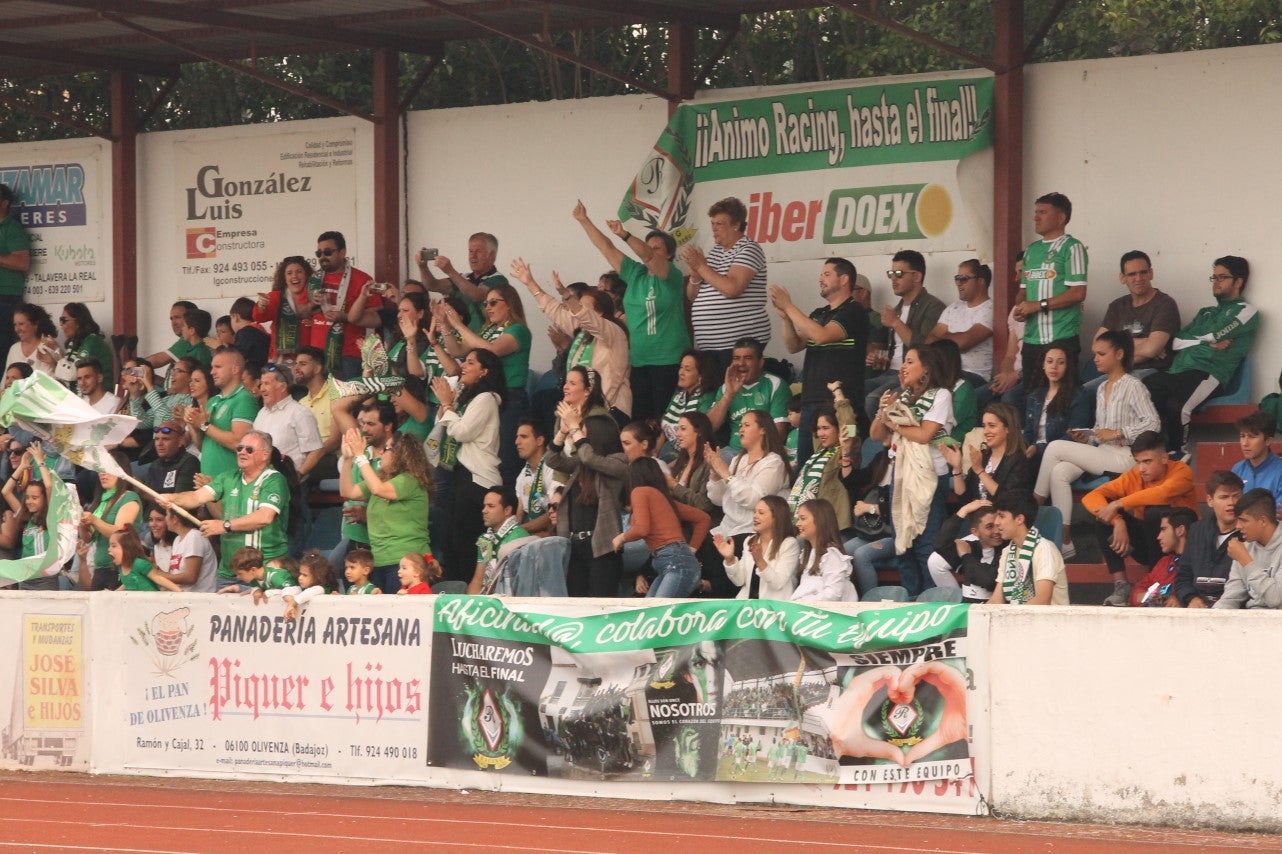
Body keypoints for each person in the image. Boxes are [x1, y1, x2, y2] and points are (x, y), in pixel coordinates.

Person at [1033, 331, 1160, 559]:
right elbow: (1101, 432)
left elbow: (1153, 424)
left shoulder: (1133, 385)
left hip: (1126, 457)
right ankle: (1065, 541)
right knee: (1059, 471)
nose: (1095, 359)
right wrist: (1088, 437)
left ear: (1119, 354)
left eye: (1102, 353)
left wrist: (1118, 432)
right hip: (1102, 452)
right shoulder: (1101, 388)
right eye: (1095, 354)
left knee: (1054, 448)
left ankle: (1032, 510)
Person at [574, 201, 688, 421]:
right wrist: (584, 221)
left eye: (657, 248)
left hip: (668, 360)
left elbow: (648, 257)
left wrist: (625, 235)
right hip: (637, 360)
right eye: (649, 246)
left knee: (665, 421)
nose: (651, 252)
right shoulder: (635, 273)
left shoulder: (671, 275)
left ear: (670, 255)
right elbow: (606, 248)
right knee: (641, 422)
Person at [1144, 255, 1259, 461]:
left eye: (1222, 277)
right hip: (1177, 371)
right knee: (1143, 389)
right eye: (1214, 277)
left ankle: (1179, 455)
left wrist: (1204, 339)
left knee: (1177, 407)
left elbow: (1215, 335)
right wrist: (1205, 343)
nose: (1216, 282)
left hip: (1208, 373)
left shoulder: (1247, 311)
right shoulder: (1205, 313)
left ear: (1239, 282)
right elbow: (1176, 342)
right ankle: (1151, 455)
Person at [869, 344, 955, 597]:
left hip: (929, 476)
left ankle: (931, 605)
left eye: (909, 361)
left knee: (926, 547)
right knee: (902, 546)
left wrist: (891, 421)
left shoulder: (941, 395)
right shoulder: (901, 398)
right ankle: (911, 603)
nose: (903, 367)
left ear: (926, 368)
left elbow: (925, 434)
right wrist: (883, 411)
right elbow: (876, 435)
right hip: (901, 477)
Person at [771, 256, 870, 467]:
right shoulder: (818, 314)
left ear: (844, 279)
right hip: (811, 402)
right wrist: (786, 318)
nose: (820, 279)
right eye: (820, 275)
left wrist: (790, 306)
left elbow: (822, 335)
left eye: (827, 274)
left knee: (841, 464)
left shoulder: (854, 311)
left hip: (842, 405)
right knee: (808, 465)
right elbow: (794, 346)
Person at [1082, 431, 1197, 606]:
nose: (1141, 468)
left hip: (1185, 546)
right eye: (1138, 462)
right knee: (1103, 517)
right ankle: (1122, 586)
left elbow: (1163, 494)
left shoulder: (1182, 471)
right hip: (1151, 545)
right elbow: (1091, 497)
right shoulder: (1135, 475)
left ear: (1164, 458)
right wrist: (1117, 521)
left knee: (1154, 512)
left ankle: (1157, 580)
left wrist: (1119, 503)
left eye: (1147, 461)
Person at [164, 430, 290, 588]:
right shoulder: (228, 477)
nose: (242, 452)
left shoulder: (274, 479)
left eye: (249, 449)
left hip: (262, 571)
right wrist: (171, 498)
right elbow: (196, 497)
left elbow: (265, 517)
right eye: (239, 448)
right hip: (228, 572)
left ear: (265, 455)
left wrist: (224, 526)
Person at [512, 256, 631, 420]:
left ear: (600, 313)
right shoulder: (582, 332)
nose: (576, 311)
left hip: (609, 412)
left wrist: (567, 296)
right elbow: (554, 310)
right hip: (581, 412)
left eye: (582, 308)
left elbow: (588, 318)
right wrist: (530, 283)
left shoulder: (614, 332)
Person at [435, 282, 531, 484]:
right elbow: (458, 351)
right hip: (485, 396)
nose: (488, 307)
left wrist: (459, 325)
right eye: (486, 303)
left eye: (494, 302)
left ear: (510, 304)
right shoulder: (487, 330)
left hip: (510, 398)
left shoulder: (518, 329)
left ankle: (504, 507)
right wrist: (445, 325)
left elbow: (492, 350)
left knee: (505, 457)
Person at [544, 368, 627, 597]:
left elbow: (589, 456)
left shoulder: (616, 464)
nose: (579, 438)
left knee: (600, 605)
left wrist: (574, 428)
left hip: (602, 549)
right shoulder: (582, 466)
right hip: (576, 547)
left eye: (584, 433)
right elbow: (552, 459)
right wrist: (562, 432)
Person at [431, 348, 505, 582]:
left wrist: (447, 403)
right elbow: (443, 424)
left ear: (484, 371)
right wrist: (448, 403)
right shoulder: (469, 397)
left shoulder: (487, 399)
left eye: (471, 363)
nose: (463, 365)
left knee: (465, 542)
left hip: (477, 479)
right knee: (451, 541)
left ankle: (470, 592)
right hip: (459, 475)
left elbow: (461, 432)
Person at [338, 430, 432, 594]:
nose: (381, 452)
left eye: (386, 449)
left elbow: (377, 489)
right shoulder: (382, 479)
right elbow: (348, 491)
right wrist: (348, 460)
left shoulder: (410, 480)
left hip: (405, 563)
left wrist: (361, 456)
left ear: (400, 454)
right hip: (379, 561)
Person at [681, 197, 770, 368]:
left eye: (719, 224)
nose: (714, 229)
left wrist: (701, 266)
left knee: (734, 391)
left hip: (738, 344)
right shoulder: (715, 253)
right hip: (710, 345)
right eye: (712, 224)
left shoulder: (748, 248)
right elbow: (692, 296)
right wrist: (695, 276)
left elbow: (732, 288)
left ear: (736, 224)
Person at [862, 250, 946, 420]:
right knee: (853, 390)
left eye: (899, 274)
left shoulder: (933, 306)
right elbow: (895, 351)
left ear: (916, 277)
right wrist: (881, 359)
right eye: (891, 273)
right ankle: (858, 443)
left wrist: (896, 323)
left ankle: (884, 444)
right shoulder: (897, 309)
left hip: (911, 376)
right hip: (889, 372)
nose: (893, 279)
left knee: (873, 400)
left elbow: (924, 349)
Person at [1013, 192, 1088, 380]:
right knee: (1032, 398)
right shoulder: (1030, 251)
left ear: (1061, 218)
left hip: (1061, 338)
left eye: (1043, 212)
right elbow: (1023, 292)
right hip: (1031, 340)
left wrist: (1038, 305)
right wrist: (1019, 309)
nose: (1036, 217)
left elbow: (1078, 292)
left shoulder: (1072, 247)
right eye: (1036, 212)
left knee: (1062, 399)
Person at [614, 457, 709, 598]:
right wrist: (691, 550)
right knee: (651, 613)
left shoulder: (639, 492)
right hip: (674, 563)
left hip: (674, 563)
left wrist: (621, 538)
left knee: (655, 614)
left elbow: (641, 529)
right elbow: (703, 518)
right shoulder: (664, 500)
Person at [1089, 250, 1180, 383]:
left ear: (1151, 273)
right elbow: (1097, 346)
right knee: (1082, 393)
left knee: (1090, 394)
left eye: (1143, 272)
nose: (1138, 278)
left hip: (1151, 372)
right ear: (1122, 278)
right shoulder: (1117, 306)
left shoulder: (1165, 304)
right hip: (1117, 371)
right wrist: (1144, 341)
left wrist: (1115, 348)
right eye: (1132, 274)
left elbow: (1151, 350)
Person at [706, 409, 791, 543]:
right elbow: (718, 500)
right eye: (740, 426)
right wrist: (715, 474)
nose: (741, 430)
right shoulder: (738, 460)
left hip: (751, 533)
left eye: (746, 425)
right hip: (726, 529)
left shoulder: (774, 462)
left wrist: (726, 474)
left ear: (763, 430)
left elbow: (754, 500)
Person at [308, 230, 380, 379]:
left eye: (327, 252)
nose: (323, 257)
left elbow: (377, 314)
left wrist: (346, 316)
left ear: (342, 252)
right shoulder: (314, 279)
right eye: (319, 253)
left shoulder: (362, 279)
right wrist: (311, 305)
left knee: (347, 401)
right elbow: (301, 312)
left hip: (347, 354)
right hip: (317, 354)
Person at [787, 380, 856, 528]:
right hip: (800, 522)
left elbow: (849, 423)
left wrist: (837, 392)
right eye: (818, 428)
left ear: (839, 429)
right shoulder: (820, 450)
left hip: (827, 526)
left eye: (826, 428)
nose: (820, 433)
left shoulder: (846, 449)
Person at [707, 337, 790, 458]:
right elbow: (710, 426)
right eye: (736, 358)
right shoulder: (726, 387)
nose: (741, 363)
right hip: (733, 451)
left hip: (764, 452)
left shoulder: (775, 384)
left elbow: (779, 432)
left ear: (760, 362)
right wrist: (728, 395)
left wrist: (753, 456)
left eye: (748, 358)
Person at [185, 348, 259, 479]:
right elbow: (203, 446)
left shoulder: (244, 399)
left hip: (232, 484)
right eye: (212, 367)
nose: (212, 372)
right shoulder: (213, 400)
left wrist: (203, 425)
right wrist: (192, 423)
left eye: (218, 367)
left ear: (235, 369)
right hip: (209, 482)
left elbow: (239, 443)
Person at [1173, 470, 1242, 608]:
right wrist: (1190, 598)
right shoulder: (1196, 530)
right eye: (1224, 497)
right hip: (1197, 610)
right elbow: (1183, 575)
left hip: (1234, 610)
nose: (1231, 503)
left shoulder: (1250, 534)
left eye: (1236, 496)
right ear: (1210, 500)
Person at [988, 488, 1068, 605]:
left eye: (1001, 516)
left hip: (1050, 622)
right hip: (1019, 619)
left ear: (1019, 519)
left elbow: (1042, 600)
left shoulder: (1044, 549)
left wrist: (1011, 619)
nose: (996, 522)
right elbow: (996, 600)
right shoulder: (1007, 552)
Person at [78, 450, 143, 591]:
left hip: (120, 568)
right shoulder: (100, 501)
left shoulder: (129, 497)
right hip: (100, 567)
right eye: (100, 470)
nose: (102, 473)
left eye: (107, 469)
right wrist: (82, 525)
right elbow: (88, 539)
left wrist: (94, 520)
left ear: (121, 472)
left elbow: (120, 531)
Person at [1021, 344, 1091, 473]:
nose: (1054, 366)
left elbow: (1073, 436)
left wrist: (1039, 448)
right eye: (1049, 361)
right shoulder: (1034, 396)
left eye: (1061, 362)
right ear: (1043, 365)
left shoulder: (1078, 396)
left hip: (1059, 455)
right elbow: (1028, 432)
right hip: (1033, 452)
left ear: (1067, 366)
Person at [416, 232, 507, 332]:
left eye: (478, 252)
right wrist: (423, 267)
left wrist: (451, 271)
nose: (473, 256)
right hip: (458, 340)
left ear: (491, 255)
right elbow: (432, 285)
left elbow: (476, 295)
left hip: (482, 340)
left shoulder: (498, 279)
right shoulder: (463, 277)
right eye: (471, 251)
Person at [942, 402, 1030, 502]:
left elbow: (1008, 499)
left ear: (1008, 428)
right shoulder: (984, 456)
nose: (985, 431)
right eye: (984, 426)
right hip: (976, 516)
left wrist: (980, 471)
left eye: (991, 426)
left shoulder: (1018, 460)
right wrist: (957, 468)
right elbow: (964, 496)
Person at [716, 495, 799, 600]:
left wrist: (760, 561)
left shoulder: (789, 544)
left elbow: (778, 583)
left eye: (761, 513)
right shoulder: (749, 541)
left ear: (776, 517)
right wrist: (730, 559)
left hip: (774, 610)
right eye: (755, 512)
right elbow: (739, 581)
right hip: (748, 608)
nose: (755, 516)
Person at [927, 259, 994, 387]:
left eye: (963, 278)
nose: (958, 283)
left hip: (974, 375)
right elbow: (929, 340)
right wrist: (952, 337)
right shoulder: (953, 307)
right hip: (946, 371)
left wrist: (942, 336)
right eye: (957, 278)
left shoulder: (990, 309)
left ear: (980, 282)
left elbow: (963, 343)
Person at [1214, 488, 1282, 610]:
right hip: (1251, 620)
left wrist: (1246, 561)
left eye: (1243, 520)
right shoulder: (1245, 547)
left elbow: (1276, 599)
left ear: (1262, 521)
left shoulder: (1243, 554)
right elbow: (1231, 597)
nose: (1238, 526)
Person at [0, 444, 55, 591]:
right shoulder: (25, 516)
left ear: (44, 499)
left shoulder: (51, 515)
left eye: (35, 497)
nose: (29, 501)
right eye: (28, 497)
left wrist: (39, 461)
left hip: (45, 578)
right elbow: (6, 491)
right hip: (26, 577)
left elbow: (49, 486)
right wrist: (22, 467)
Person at [253, 364, 324, 478]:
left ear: (282, 387)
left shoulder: (299, 413)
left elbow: (315, 451)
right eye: (261, 384)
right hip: (261, 482)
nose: (261, 389)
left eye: (267, 384)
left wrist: (297, 476)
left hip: (289, 484)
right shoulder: (261, 413)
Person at [928, 498, 1005, 602]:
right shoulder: (970, 547)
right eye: (989, 527)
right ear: (975, 532)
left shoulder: (1007, 549)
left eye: (998, 525)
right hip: (966, 611)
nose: (996, 531)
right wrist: (963, 510)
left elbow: (989, 581)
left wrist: (965, 556)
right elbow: (941, 545)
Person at [1125, 507, 1196, 607]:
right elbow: (1135, 594)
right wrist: (1155, 597)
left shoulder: (1199, 563)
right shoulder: (1165, 562)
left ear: (1180, 530)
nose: (1158, 537)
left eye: (1163, 529)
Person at [791, 499, 858, 602]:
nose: (797, 523)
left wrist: (804, 602)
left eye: (803, 518)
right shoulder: (807, 554)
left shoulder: (832, 555)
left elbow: (834, 594)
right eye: (798, 519)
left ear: (820, 520)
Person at [467, 487, 531, 595]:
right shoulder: (486, 539)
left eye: (490, 506)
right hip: (488, 603)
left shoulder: (519, 539)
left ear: (507, 510)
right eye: (484, 506)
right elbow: (478, 580)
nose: (484, 511)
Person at [658, 350, 720, 460]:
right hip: (671, 446)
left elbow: (700, 434)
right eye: (681, 367)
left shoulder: (707, 397)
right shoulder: (679, 394)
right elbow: (664, 424)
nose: (681, 372)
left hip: (693, 454)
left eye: (687, 369)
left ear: (701, 375)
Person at [254, 256, 316, 360]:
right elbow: (259, 318)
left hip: (308, 358)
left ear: (307, 275)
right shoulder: (276, 297)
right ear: (284, 278)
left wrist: (314, 322)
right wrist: (261, 306)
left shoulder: (315, 297)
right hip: (280, 359)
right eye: (289, 273)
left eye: (299, 272)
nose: (294, 276)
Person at [0, 183, 31, 361]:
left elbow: (23, 262)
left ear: (5, 203)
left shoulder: (12, 228)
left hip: (6, 297)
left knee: (4, 349)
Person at [1232, 410, 1282, 511]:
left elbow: (1277, 513)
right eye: (1242, 436)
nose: (1245, 443)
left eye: (1252, 437)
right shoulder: (1237, 469)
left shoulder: (1280, 470)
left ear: (1268, 441)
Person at [161, 506, 218, 593]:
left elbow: (190, 577)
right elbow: (174, 574)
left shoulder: (194, 537)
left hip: (201, 598)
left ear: (175, 519)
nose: (165, 519)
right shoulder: (177, 540)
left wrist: (158, 574)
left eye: (167, 515)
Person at [513, 418, 556, 537]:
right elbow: (519, 515)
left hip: (551, 535)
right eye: (517, 437)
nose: (517, 441)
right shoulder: (522, 475)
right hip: (530, 535)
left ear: (539, 440)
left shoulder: (552, 468)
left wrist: (518, 530)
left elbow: (553, 514)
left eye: (524, 436)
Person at [106, 529, 181, 593]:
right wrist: (113, 594)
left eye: (113, 546)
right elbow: (127, 583)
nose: (109, 549)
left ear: (127, 548)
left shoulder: (139, 564)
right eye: (109, 546)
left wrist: (179, 591)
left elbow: (158, 578)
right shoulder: (121, 567)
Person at [141, 420, 199, 498]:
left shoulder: (189, 462)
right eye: (157, 439)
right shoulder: (155, 464)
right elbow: (145, 502)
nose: (159, 444)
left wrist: (142, 492)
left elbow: (179, 501)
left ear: (180, 441)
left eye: (166, 439)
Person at [59, 303, 114, 384]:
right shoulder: (74, 342)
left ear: (78, 322)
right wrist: (52, 362)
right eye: (60, 320)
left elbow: (75, 373)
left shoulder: (92, 341)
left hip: (99, 394)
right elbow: (65, 375)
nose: (61, 324)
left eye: (64, 320)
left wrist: (58, 353)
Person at [5, 303, 59, 376]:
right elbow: (6, 379)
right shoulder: (14, 349)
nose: (17, 329)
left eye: (21, 324)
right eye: (15, 325)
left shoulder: (48, 347)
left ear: (35, 324)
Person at [221, 546, 296, 597]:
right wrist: (256, 590)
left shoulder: (275, 576)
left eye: (240, 573)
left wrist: (270, 593)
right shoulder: (254, 580)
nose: (238, 577)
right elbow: (255, 589)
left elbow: (294, 591)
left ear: (253, 570)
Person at [229, 297, 271, 370]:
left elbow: (236, 359)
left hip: (254, 375)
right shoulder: (260, 330)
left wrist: (220, 348)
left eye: (231, 318)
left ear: (236, 317)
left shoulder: (245, 333)